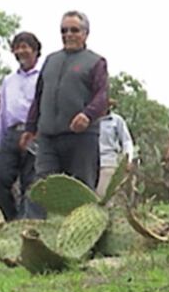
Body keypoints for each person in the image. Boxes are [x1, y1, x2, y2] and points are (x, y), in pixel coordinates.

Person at [21, 11, 108, 190]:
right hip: (48, 137)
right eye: (64, 30)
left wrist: (87, 115)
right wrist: (30, 128)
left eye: (74, 30)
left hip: (81, 138)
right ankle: (41, 219)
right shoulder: (50, 61)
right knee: (43, 188)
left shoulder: (95, 62)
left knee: (81, 190)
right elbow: (39, 96)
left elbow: (102, 96)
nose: (68, 35)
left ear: (85, 34)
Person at [0, 32, 43, 220]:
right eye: (17, 47)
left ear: (35, 51)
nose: (21, 51)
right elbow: (2, 112)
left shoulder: (45, 76)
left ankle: (27, 226)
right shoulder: (8, 80)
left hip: (36, 133)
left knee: (32, 183)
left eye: (25, 47)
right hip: (12, 134)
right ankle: (11, 221)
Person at [95, 99, 135, 197]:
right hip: (89, 162)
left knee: (102, 195)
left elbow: (126, 141)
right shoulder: (90, 120)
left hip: (108, 162)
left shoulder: (116, 120)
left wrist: (128, 159)